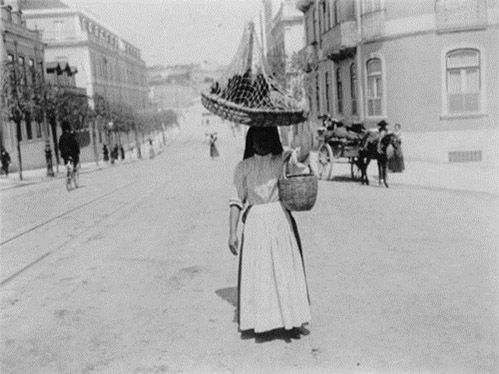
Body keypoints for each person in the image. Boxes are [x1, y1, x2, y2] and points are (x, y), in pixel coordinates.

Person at [228, 126, 311, 339]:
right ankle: (263, 322)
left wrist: (301, 123)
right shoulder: (244, 167)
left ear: (272, 139)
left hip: (279, 219)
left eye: (265, 138)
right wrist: (232, 233)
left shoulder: (281, 161)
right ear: (250, 141)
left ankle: (290, 319)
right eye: (256, 139)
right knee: (261, 271)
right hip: (255, 222)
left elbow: (302, 155)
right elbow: (236, 201)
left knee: (284, 267)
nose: (261, 143)